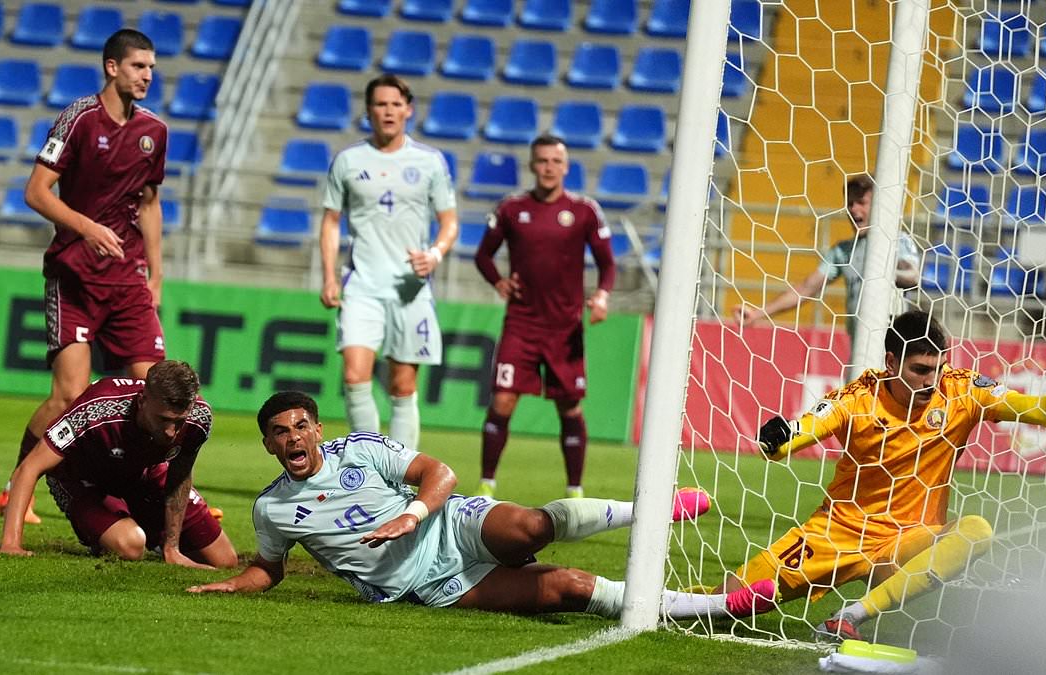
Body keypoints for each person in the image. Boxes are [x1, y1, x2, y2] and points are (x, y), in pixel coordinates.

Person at [720, 310, 1046, 643]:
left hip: (906, 544)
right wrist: (780, 439)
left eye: (938, 367)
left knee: (975, 531)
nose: (932, 380)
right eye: (921, 370)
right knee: (731, 601)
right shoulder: (859, 396)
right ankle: (685, 600)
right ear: (891, 362)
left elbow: (1031, 407)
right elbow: (806, 428)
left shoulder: (963, 390)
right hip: (840, 533)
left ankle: (850, 616)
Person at [186, 391, 777, 622]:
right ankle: (719, 607)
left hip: (449, 526)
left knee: (533, 526)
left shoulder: (360, 449)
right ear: (268, 445)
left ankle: (648, 511)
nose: (293, 439)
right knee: (569, 588)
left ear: (318, 429)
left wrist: (412, 515)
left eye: (301, 426)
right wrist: (232, 584)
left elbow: (439, 473)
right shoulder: (272, 509)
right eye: (280, 433)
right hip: (431, 585)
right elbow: (270, 568)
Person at [0, 29, 169, 524]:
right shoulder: (78, 119)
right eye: (138, 66)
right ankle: (18, 488)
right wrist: (87, 227)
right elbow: (36, 192)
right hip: (74, 276)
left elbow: (150, 203)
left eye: (151, 67)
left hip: (128, 279)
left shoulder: (154, 131)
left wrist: (157, 274)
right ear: (112, 67)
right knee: (69, 395)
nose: (147, 76)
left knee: (159, 392)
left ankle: (165, 498)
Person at [319, 74, 458, 451]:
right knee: (354, 376)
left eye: (396, 104)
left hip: (409, 289)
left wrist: (435, 254)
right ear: (368, 111)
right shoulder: (348, 161)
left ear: (408, 110)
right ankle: (370, 463)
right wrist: (329, 276)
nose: (388, 111)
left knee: (402, 385)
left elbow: (449, 221)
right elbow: (331, 220)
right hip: (361, 284)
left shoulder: (429, 161)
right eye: (380, 104)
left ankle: (399, 471)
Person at [472, 135, 615, 499]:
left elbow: (607, 264)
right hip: (520, 325)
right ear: (532, 165)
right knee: (503, 400)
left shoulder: (584, 210)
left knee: (569, 407)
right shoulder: (511, 208)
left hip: (565, 330)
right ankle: (486, 485)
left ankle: (574, 490)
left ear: (566, 167)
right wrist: (498, 281)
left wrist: (601, 296)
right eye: (542, 161)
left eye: (556, 161)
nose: (549, 167)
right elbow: (483, 255)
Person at [0, 361, 238, 568]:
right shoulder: (97, 407)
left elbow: (180, 476)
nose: (170, 432)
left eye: (179, 422)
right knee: (130, 545)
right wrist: (11, 544)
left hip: (144, 473)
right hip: (82, 478)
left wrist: (172, 547)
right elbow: (29, 468)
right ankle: (121, 530)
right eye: (163, 419)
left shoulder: (198, 418)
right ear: (142, 400)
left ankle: (156, 539)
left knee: (224, 560)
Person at [734, 175, 920, 354]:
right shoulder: (843, 251)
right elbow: (806, 288)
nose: (854, 209)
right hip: (859, 350)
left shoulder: (896, 241)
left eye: (861, 202)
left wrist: (888, 274)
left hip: (894, 350)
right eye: (850, 203)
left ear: (879, 206)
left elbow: (912, 276)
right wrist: (758, 314)